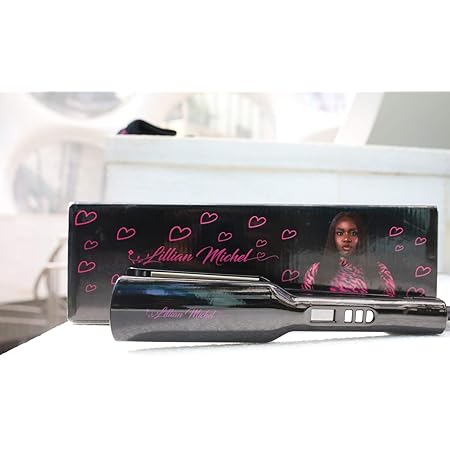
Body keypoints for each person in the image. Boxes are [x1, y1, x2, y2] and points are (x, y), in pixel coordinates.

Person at [302, 211, 396, 297]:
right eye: (340, 233)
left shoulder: (380, 271)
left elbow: (388, 306)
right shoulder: (316, 270)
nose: (346, 239)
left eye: (353, 233)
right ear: (332, 237)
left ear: (361, 236)